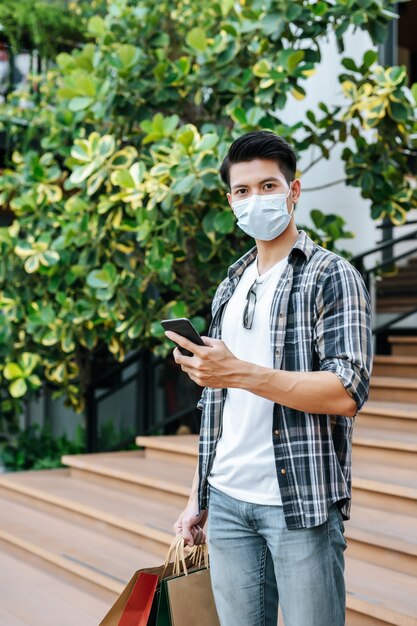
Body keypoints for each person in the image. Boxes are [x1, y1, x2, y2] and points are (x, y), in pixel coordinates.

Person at [165, 130, 373, 626]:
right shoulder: (231, 283)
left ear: (293, 191)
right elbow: (219, 407)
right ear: (230, 202)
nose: (255, 199)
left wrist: (239, 371)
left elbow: (347, 390)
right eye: (242, 191)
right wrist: (199, 496)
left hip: (298, 502)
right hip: (229, 501)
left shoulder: (331, 275)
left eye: (267, 186)